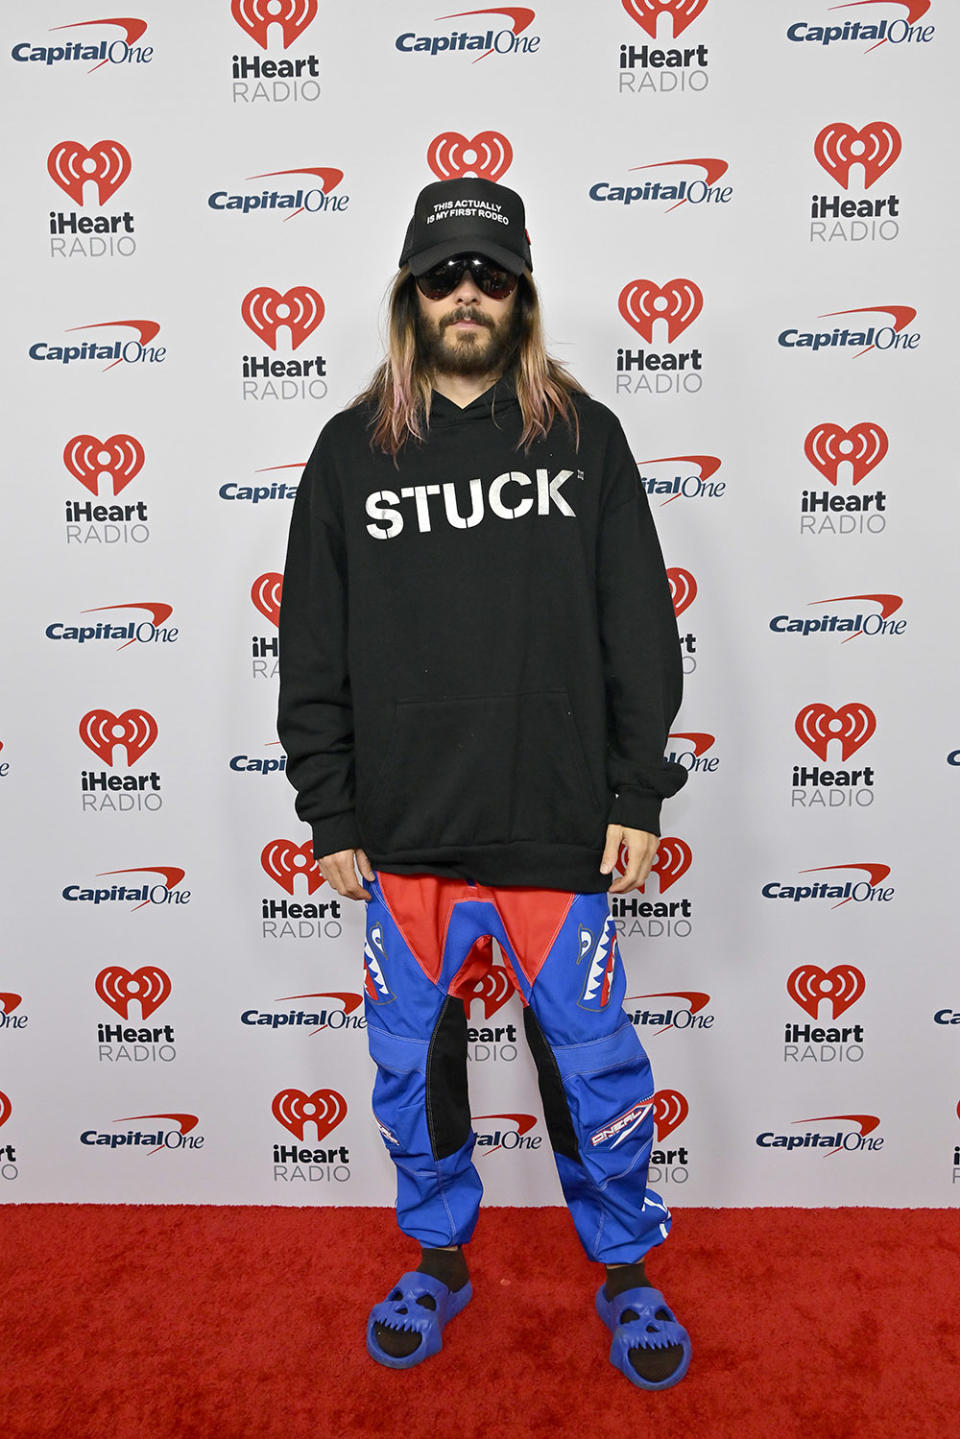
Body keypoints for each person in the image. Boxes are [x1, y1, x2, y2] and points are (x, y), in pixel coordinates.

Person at [277, 176, 691, 1390]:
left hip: (558, 822)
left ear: (523, 295)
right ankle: (439, 1253)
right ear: (411, 294)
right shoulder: (351, 449)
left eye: (491, 275)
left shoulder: (584, 435)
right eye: (445, 274)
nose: (469, 294)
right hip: (403, 832)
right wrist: (329, 802)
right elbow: (313, 640)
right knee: (411, 1070)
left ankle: (624, 1265)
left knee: (598, 1062)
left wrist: (637, 791)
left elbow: (639, 630)